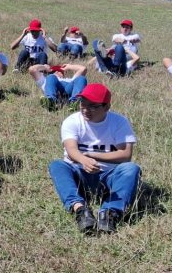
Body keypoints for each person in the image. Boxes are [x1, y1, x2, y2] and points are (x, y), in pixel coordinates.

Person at [48, 83, 141, 234]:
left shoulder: (119, 122)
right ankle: (80, 210)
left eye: (92, 106)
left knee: (131, 169)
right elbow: (71, 149)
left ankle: (109, 213)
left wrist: (93, 155)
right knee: (57, 165)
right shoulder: (72, 121)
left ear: (106, 107)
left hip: (109, 175)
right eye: (82, 104)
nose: (85, 110)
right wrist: (83, 161)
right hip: (79, 172)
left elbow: (125, 155)